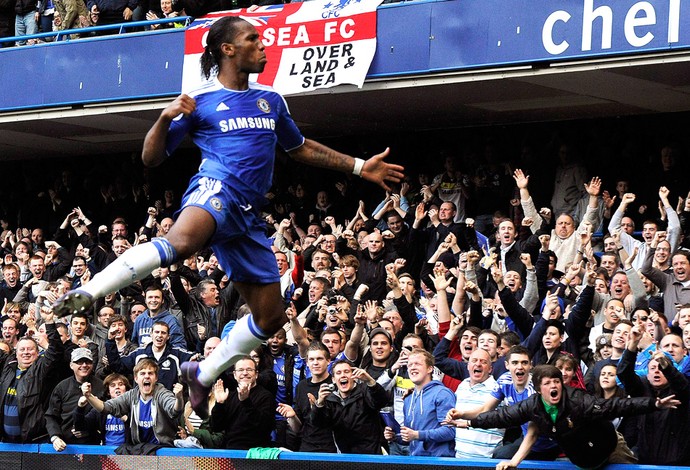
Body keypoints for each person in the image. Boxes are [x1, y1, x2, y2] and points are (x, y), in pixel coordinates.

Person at [53, 15, 403, 419]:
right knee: (181, 244)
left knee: (270, 318)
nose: (263, 46)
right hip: (216, 190)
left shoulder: (270, 100)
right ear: (228, 49)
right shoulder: (199, 100)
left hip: (249, 218)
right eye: (254, 39)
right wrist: (165, 117)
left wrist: (360, 167)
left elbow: (300, 147)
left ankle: (202, 373)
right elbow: (151, 157)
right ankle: (87, 293)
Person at [447, 365, 680, 469]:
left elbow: (616, 406)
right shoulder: (532, 406)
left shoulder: (579, 401)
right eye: (547, 383)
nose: (553, 386)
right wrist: (468, 422)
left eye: (556, 381)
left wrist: (654, 403)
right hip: (583, 459)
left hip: (610, 447)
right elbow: (500, 417)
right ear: (538, 389)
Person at [81, 358, 184, 446]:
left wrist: (179, 398)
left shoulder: (162, 393)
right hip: (140, 449)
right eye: (142, 373)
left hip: (163, 449)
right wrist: (89, 396)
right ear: (136, 378)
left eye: (150, 373)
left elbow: (174, 410)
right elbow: (105, 408)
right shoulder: (131, 395)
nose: (147, 376)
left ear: (156, 378)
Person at [383, 348, 455, 457]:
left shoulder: (442, 393)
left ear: (430, 368)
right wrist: (395, 436)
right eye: (410, 365)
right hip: (416, 461)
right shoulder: (408, 399)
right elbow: (411, 437)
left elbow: (450, 431)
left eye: (417, 364)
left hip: (439, 461)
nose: (412, 367)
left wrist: (417, 435)